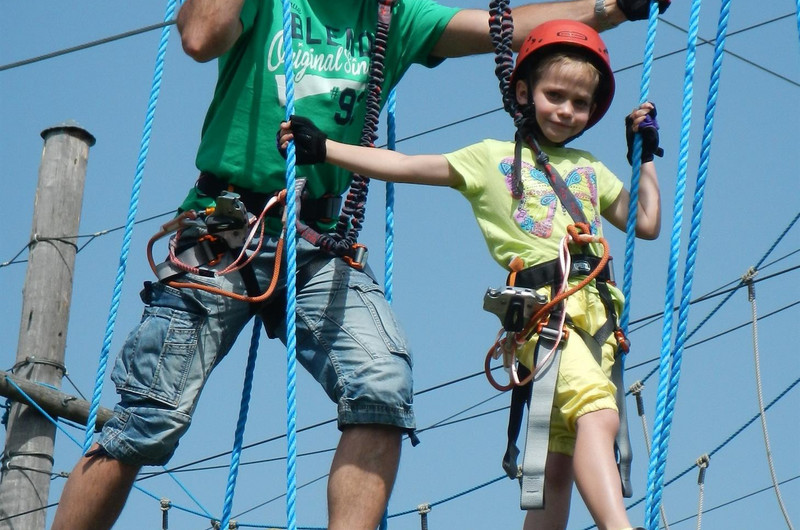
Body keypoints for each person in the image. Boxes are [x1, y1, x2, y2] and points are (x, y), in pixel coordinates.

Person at [52, 1, 668, 529]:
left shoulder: (390, 18)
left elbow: (510, 29)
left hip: (315, 236)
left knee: (382, 386)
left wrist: (612, 9)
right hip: (225, 224)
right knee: (149, 418)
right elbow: (198, 36)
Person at [278, 18, 662, 530]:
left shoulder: (590, 168)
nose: (567, 111)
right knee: (598, 414)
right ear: (524, 92)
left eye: (581, 103)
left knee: (556, 467)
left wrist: (645, 154)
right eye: (555, 95)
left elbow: (646, 221)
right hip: (549, 317)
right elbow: (408, 165)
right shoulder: (492, 160)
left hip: (597, 320)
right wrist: (325, 149)